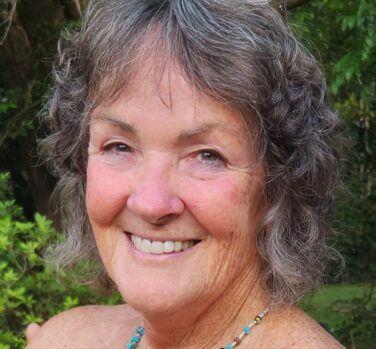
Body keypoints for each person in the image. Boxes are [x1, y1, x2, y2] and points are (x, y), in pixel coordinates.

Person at [26, 0, 345, 348]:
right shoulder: (64, 339)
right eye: (119, 147)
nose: (151, 203)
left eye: (207, 155)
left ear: (277, 185)